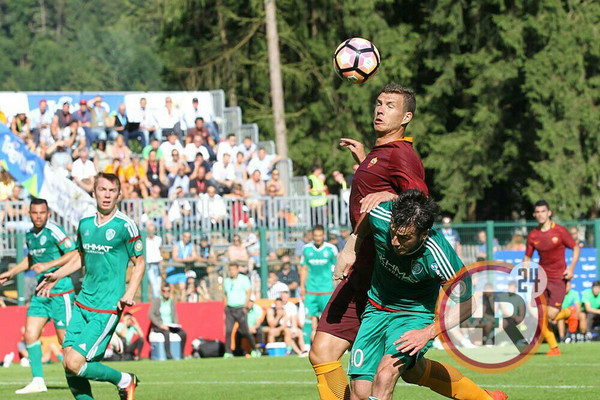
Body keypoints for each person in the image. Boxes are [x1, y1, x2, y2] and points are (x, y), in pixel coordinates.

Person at [309, 84, 430, 400]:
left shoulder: (402, 154)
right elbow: (378, 190)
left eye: (390, 105)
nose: (380, 109)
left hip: (381, 274)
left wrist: (390, 197)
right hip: (361, 269)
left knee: (399, 374)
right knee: (322, 354)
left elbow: (419, 203)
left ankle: (481, 397)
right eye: (378, 103)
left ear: (406, 117)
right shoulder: (381, 154)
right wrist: (364, 159)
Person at [337, 190, 506, 400]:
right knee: (361, 393)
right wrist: (351, 246)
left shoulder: (440, 255)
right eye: (394, 233)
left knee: (384, 376)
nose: (395, 242)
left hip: (413, 316)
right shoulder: (381, 217)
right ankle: (483, 398)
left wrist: (428, 332)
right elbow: (369, 215)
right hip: (376, 309)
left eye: (405, 237)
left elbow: (468, 304)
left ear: (424, 234)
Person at [36, 172, 145, 399]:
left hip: (107, 306)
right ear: (94, 192)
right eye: (102, 190)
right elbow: (80, 256)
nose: (106, 195)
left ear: (118, 195)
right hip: (83, 302)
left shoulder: (126, 226)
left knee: (75, 362)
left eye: (111, 191)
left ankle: (125, 380)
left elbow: (140, 262)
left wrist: (130, 292)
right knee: (68, 361)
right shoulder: (85, 224)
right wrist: (57, 275)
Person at [0, 198, 77, 394]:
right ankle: (38, 380)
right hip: (41, 293)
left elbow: (75, 253)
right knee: (30, 334)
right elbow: (31, 259)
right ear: (29, 213)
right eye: (35, 213)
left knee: (65, 341)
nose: (38, 216)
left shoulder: (54, 231)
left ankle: (79, 376)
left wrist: (48, 266)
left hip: (61, 291)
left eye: (42, 213)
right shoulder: (29, 235)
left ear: (48, 213)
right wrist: (12, 272)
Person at [524, 199, 580, 356]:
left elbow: (575, 248)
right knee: (540, 316)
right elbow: (527, 257)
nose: (541, 215)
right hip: (541, 279)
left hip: (558, 279)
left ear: (549, 213)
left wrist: (571, 268)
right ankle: (554, 348)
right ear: (535, 214)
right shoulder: (533, 235)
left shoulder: (560, 231)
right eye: (538, 212)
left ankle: (570, 312)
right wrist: (525, 268)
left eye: (543, 211)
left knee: (552, 316)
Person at [300, 225, 337, 340]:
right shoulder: (306, 249)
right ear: (312, 236)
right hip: (311, 291)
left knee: (330, 318)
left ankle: (335, 345)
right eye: (315, 236)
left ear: (323, 235)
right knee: (308, 318)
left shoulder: (331, 249)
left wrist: (337, 286)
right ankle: (306, 346)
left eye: (320, 236)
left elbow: (337, 269)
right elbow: (304, 269)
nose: (318, 238)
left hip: (327, 290)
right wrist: (302, 287)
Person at [223, 263, 259, 358]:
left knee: (245, 331)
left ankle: (254, 349)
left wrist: (245, 305)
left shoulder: (243, 279)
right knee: (228, 331)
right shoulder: (227, 281)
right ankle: (228, 352)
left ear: (237, 270)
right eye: (230, 270)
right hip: (230, 308)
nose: (231, 272)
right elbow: (226, 294)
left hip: (240, 308)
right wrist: (225, 306)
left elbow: (248, 292)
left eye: (233, 269)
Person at [149, 284, 188, 359]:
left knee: (183, 333)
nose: (166, 292)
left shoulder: (171, 302)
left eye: (168, 291)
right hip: (160, 326)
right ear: (161, 292)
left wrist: (176, 324)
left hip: (170, 325)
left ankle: (181, 354)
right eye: (164, 291)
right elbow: (151, 314)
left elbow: (174, 315)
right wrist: (160, 324)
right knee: (166, 333)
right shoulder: (157, 301)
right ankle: (168, 355)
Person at [169, 232, 198, 301]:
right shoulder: (177, 245)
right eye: (185, 236)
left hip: (181, 270)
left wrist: (188, 259)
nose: (187, 238)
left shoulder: (191, 245)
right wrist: (185, 260)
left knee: (183, 288)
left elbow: (194, 257)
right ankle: (170, 306)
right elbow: (174, 258)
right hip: (172, 269)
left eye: (188, 237)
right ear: (182, 237)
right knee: (171, 289)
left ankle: (182, 304)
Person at [145, 221, 164, 300]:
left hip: (157, 264)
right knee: (154, 285)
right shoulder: (144, 240)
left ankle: (157, 301)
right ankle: (157, 302)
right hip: (149, 264)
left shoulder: (158, 239)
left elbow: (161, 249)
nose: (151, 232)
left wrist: (161, 259)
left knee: (158, 285)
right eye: (149, 230)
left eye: (152, 230)